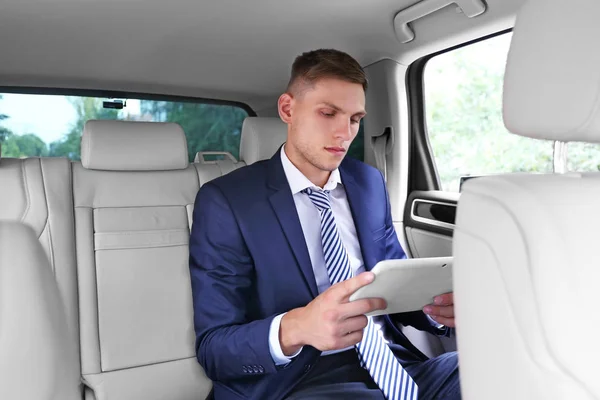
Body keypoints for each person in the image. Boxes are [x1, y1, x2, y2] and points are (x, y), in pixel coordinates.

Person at [189, 48, 460, 400]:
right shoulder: (227, 200)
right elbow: (214, 348)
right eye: (328, 113)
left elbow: (392, 281)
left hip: (395, 364)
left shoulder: (368, 182)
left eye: (354, 118)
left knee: (500, 366)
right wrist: (297, 327)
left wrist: (436, 308)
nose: (344, 133)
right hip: (297, 381)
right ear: (288, 109)